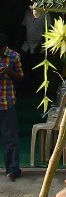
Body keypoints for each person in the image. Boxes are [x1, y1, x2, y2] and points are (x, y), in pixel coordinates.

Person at [0, 30, 23, 181]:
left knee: (10, 138)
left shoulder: (14, 56)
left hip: (7, 102)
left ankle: (13, 169)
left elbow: (21, 78)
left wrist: (9, 71)